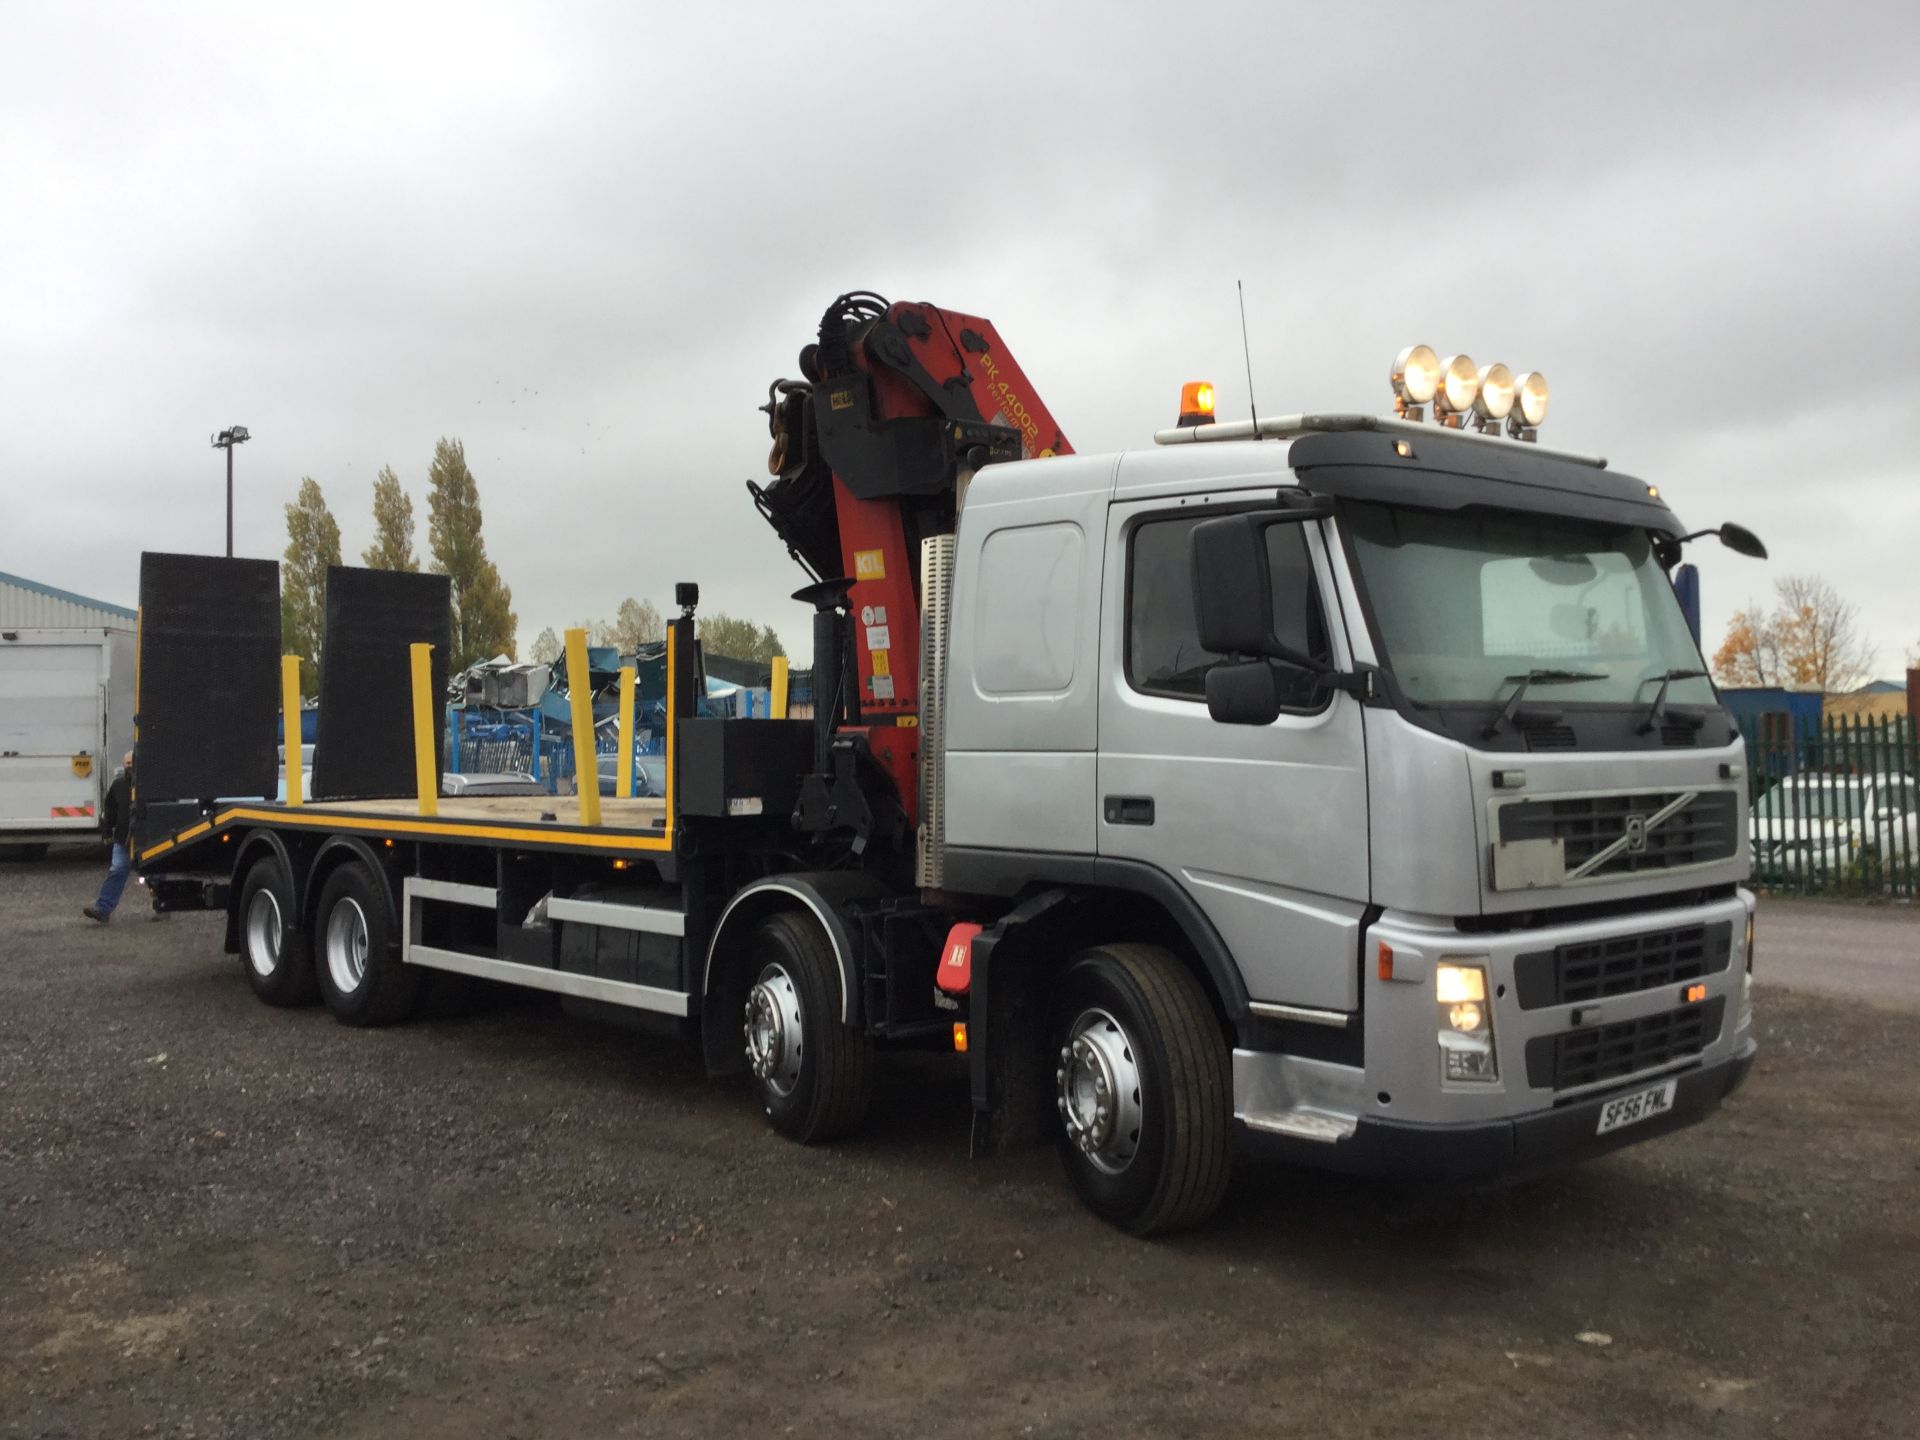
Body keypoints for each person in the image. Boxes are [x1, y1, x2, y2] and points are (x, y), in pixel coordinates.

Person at [83, 751, 135, 923]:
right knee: (117, 870)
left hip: (147, 838)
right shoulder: (118, 785)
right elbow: (110, 810)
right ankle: (103, 909)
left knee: (155, 874)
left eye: (132, 762)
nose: (130, 765)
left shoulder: (151, 784)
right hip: (122, 838)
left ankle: (162, 905)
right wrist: (106, 832)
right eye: (127, 762)